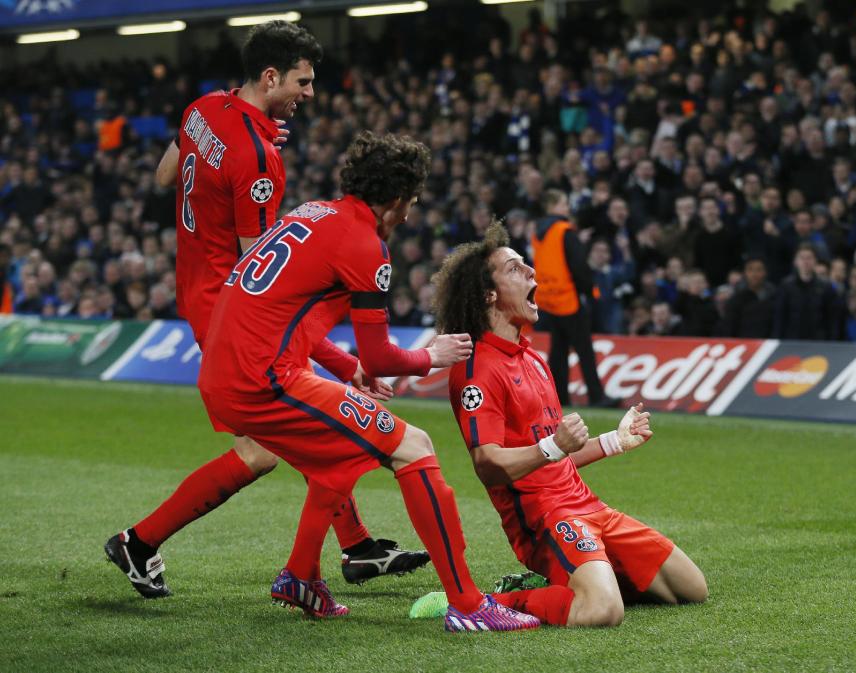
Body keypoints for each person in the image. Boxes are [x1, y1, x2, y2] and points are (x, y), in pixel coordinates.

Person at [105, 22, 428, 611]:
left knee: (297, 430)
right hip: (229, 308)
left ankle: (356, 546)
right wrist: (339, 357)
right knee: (265, 448)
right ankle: (139, 540)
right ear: (272, 76)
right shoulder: (261, 159)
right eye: (303, 82)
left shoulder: (202, 108)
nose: (309, 93)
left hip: (196, 285)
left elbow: (163, 176)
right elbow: (262, 276)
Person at [196, 131, 540, 632]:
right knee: (414, 446)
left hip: (228, 368)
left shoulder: (311, 213)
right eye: (412, 202)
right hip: (264, 378)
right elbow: (379, 355)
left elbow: (288, 313)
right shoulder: (366, 245)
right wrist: (430, 356)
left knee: (343, 449)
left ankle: (300, 575)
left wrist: (344, 368)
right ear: (397, 199)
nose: (410, 213)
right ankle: (468, 604)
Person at [412, 222, 706, 628]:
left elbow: (556, 452)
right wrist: (553, 447)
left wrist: (613, 442)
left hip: (589, 507)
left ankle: (571, 577)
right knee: (603, 610)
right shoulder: (477, 369)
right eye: (515, 269)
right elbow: (488, 464)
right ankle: (481, 601)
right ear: (489, 295)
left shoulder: (532, 359)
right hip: (545, 521)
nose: (532, 272)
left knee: (690, 589)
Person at [532, 189, 617, 407]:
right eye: (563, 203)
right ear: (552, 206)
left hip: (547, 300)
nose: (567, 208)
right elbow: (578, 266)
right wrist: (590, 290)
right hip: (568, 300)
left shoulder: (537, 233)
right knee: (584, 350)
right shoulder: (564, 231)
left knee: (558, 351)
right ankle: (597, 395)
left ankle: (559, 397)